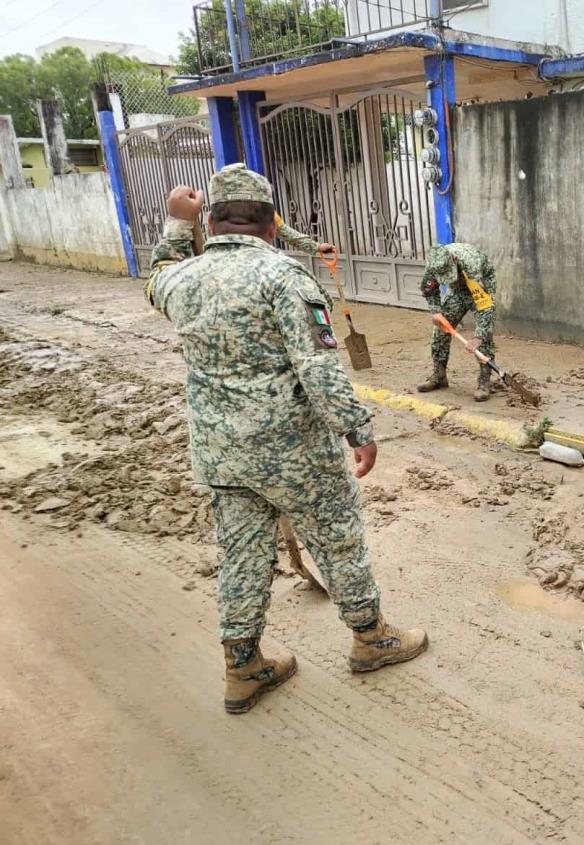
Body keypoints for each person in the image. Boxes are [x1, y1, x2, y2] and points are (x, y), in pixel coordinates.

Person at [145, 163, 427, 714]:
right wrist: (356, 428)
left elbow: (158, 278)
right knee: (338, 539)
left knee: (243, 555)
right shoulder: (284, 278)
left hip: (223, 455)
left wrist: (178, 226)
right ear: (271, 224)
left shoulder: (183, 278)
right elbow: (317, 366)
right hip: (295, 453)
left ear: (213, 222)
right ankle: (371, 639)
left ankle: (243, 666)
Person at [415, 243, 498, 402]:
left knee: (484, 338)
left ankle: (484, 382)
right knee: (440, 330)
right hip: (457, 291)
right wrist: (437, 312)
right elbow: (429, 290)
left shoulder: (471, 265)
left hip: (481, 289)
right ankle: (439, 376)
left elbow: (484, 306)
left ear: (454, 260)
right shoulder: (434, 264)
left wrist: (479, 336)